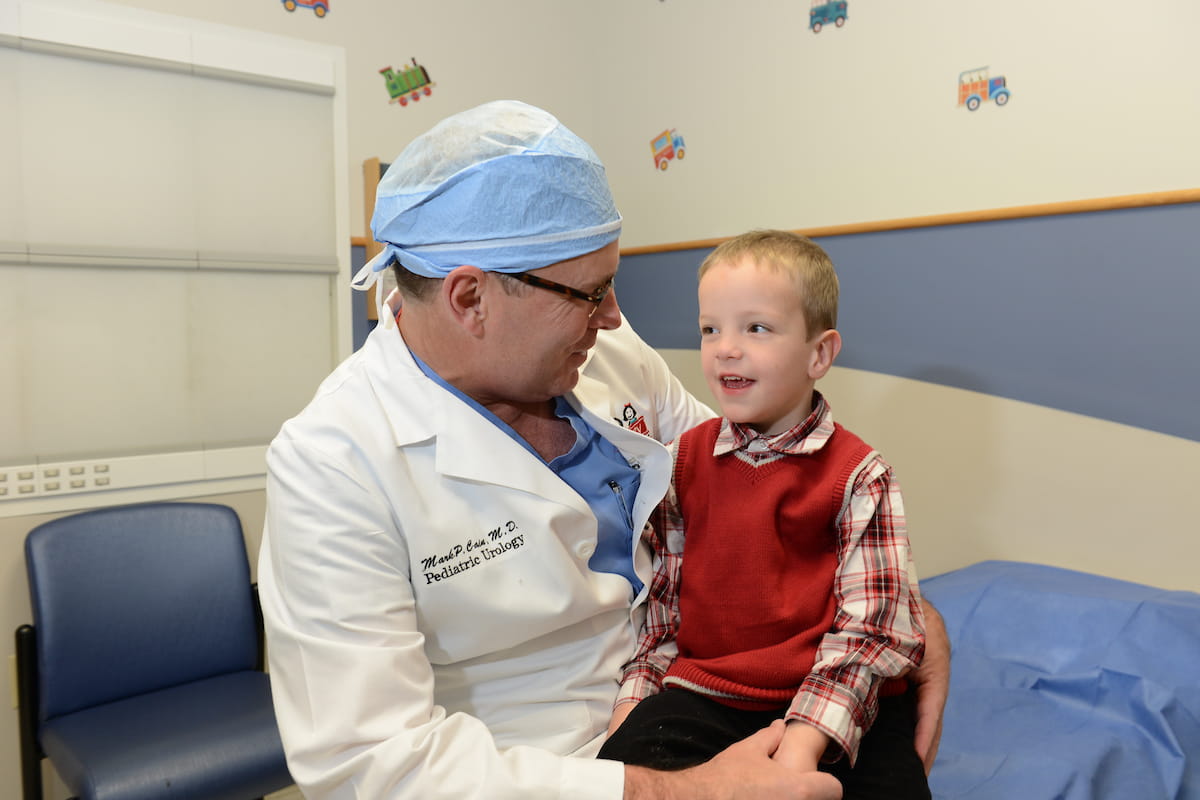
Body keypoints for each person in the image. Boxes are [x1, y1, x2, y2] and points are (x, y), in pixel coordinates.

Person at [258, 100, 947, 800]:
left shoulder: (606, 352)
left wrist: (903, 608)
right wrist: (685, 792)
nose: (615, 316)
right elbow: (373, 767)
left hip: (705, 693)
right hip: (538, 769)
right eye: (590, 292)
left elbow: (756, 476)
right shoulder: (333, 462)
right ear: (470, 299)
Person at [598, 231, 931, 798]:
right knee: (625, 768)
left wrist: (801, 749)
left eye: (756, 328)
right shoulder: (680, 465)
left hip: (833, 696)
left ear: (818, 354)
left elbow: (871, 630)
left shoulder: (858, 476)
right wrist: (630, 717)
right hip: (709, 695)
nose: (726, 347)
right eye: (710, 329)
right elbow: (661, 617)